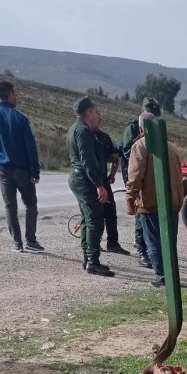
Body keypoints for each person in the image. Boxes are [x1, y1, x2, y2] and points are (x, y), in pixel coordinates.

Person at [126, 112, 184, 287]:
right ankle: (172, 275)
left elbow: (135, 176)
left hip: (152, 203)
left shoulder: (140, 146)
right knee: (169, 242)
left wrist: (130, 199)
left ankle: (162, 275)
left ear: (142, 127)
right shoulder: (171, 147)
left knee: (154, 242)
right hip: (173, 203)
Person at [66, 96, 113, 277]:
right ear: (87, 113)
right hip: (85, 180)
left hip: (78, 178)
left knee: (87, 218)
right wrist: (99, 185)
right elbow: (87, 161)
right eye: (94, 111)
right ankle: (93, 261)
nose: (96, 114)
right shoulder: (83, 131)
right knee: (95, 219)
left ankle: (88, 258)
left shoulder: (74, 129)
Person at [0, 80, 43, 252]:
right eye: (15, 94)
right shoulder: (20, 118)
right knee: (30, 203)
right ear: (9, 95)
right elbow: (30, 146)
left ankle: (17, 244)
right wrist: (35, 170)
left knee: (10, 207)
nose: (16, 97)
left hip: (3, 168)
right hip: (22, 168)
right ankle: (30, 240)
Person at [122, 97, 161, 269]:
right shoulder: (132, 127)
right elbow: (126, 152)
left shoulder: (157, 126)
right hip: (137, 175)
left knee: (152, 215)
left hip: (152, 175)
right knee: (140, 214)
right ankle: (142, 250)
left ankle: (152, 249)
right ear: (142, 110)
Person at [93, 128, 131, 255]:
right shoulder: (85, 135)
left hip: (104, 180)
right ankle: (94, 243)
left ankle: (113, 243)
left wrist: (112, 174)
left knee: (110, 213)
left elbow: (115, 157)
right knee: (95, 215)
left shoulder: (104, 137)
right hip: (91, 181)